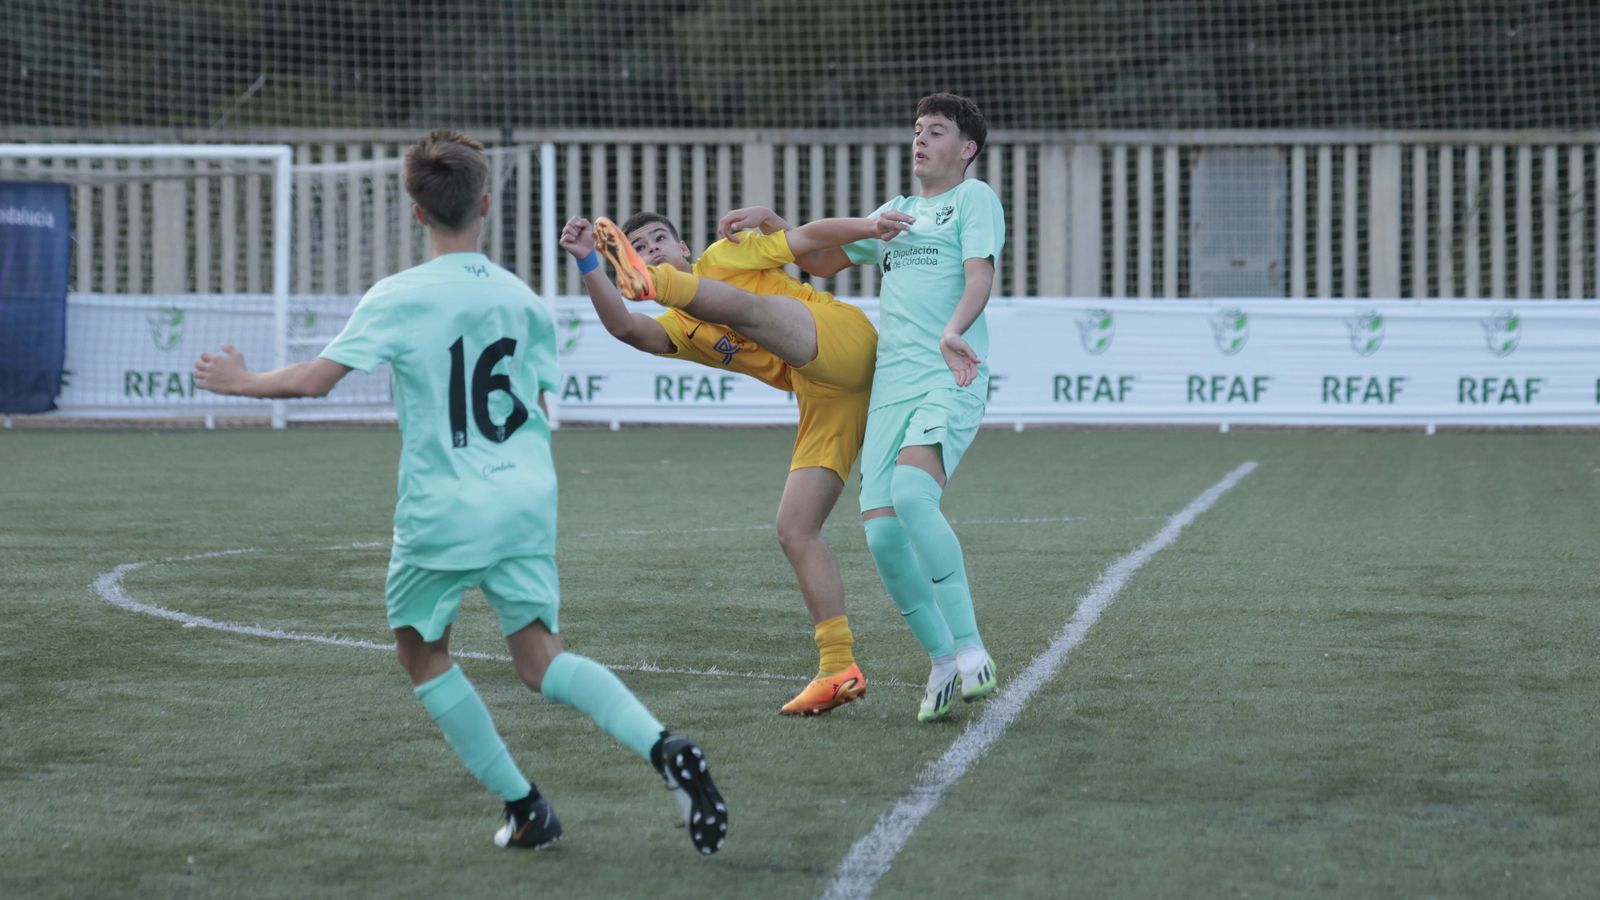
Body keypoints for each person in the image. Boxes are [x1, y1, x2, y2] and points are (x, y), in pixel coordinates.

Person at [192, 129, 726, 854]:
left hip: (444, 506)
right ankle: (663, 747)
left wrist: (241, 381)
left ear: (417, 211)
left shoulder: (397, 296)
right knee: (542, 661)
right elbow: (536, 397)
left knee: (421, 655)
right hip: (524, 497)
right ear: (485, 204)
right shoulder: (522, 299)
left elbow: (315, 381)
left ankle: (526, 806)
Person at [620, 93, 1005, 723]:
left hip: (946, 370)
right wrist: (777, 224)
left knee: (913, 497)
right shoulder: (896, 213)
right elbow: (819, 258)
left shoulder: (973, 199)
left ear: (967, 149)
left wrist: (955, 329)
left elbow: (979, 274)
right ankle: (939, 660)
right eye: (917, 129)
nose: (920, 139)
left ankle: (970, 648)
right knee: (881, 532)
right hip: (887, 383)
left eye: (936, 131)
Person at [560, 204, 911, 716]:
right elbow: (627, 330)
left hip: (840, 336)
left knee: (746, 308)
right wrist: (589, 262)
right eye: (641, 248)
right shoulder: (681, 329)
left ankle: (656, 285)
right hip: (821, 389)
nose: (653, 247)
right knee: (794, 528)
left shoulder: (727, 254)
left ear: (683, 248)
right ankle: (839, 667)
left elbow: (808, 237)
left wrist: (870, 227)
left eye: (660, 240)